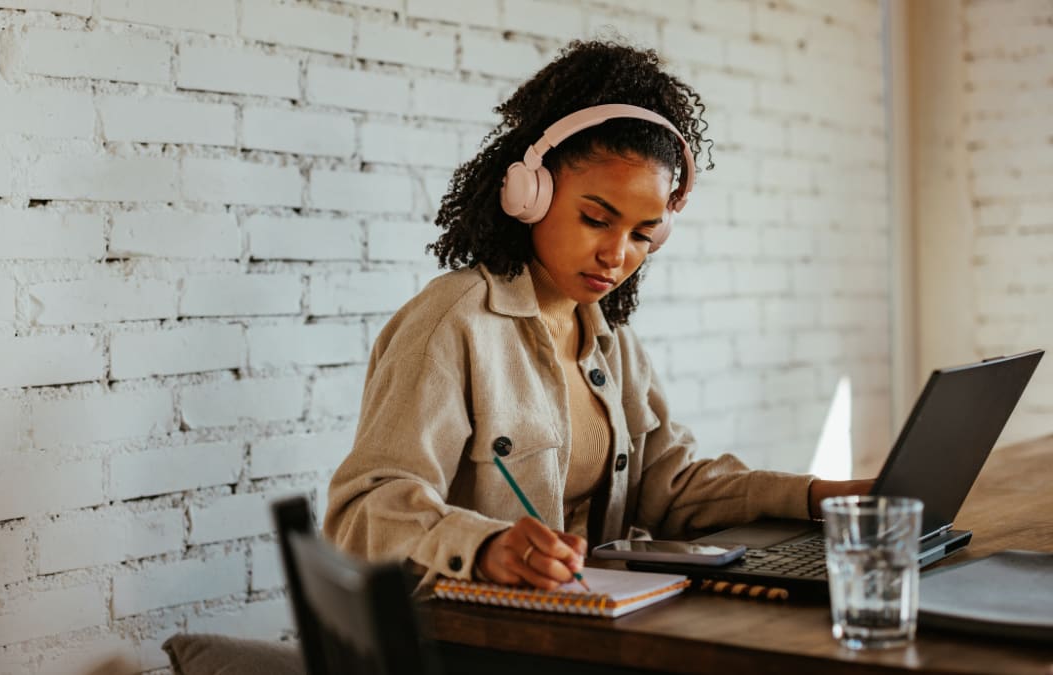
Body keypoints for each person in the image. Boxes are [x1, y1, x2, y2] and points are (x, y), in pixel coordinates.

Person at [324, 39, 871, 590]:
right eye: (595, 219)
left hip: (585, 625)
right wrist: (485, 547)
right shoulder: (454, 323)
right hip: (470, 641)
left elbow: (670, 487)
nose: (617, 255)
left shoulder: (611, 340)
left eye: (641, 233)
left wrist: (820, 496)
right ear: (528, 194)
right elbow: (362, 513)